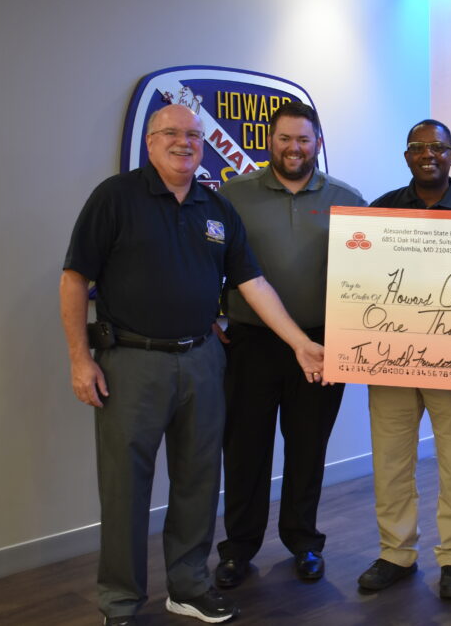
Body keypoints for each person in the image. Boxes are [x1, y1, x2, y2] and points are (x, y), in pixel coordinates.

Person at [60, 104, 324, 626]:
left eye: (194, 135)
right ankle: (120, 602)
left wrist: (298, 342)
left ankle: (188, 586)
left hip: (203, 362)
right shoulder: (115, 197)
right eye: (172, 134)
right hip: (130, 363)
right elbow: (74, 279)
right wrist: (79, 359)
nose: (184, 143)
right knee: (125, 488)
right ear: (151, 142)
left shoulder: (216, 207)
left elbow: (253, 284)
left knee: (199, 482)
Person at [214, 102, 366, 589]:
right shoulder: (234, 195)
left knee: (307, 449)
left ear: (318, 142)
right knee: (245, 450)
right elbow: (204, 259)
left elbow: (370, 274)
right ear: (269, 142)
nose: (294, 148)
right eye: (285, 139)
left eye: (304, 139)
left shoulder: (346, 198)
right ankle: (238, 549)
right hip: (250, 344)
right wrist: (212, 311)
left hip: (323, 346)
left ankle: (303, 542)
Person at [357, 119, 451, 600]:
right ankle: (396, 552)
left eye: (438, 147)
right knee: (391, 462)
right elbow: (360, 286)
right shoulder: (379, 212)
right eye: (418, 147)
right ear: (406, 155)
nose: (428, 154)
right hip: (389, 360)